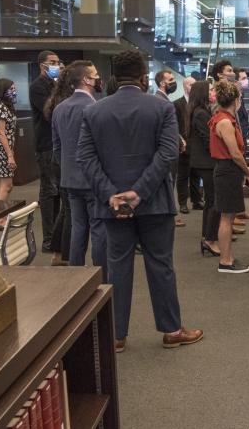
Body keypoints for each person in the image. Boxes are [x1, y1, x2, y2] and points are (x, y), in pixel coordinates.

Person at [77, 49, 203, 351]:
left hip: (112, 206)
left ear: (113, 78)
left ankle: (117, 336)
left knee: (117, 267)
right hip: (155, 203)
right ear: (144, 75)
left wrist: (112, 194)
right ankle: (172, 331)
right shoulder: (161, 109)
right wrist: (139, 192)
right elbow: (168, 153)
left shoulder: (94, 111)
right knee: (161, 265)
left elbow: (85, 157)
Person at [50, 61, 106, 274]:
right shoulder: (95, 107)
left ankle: (76, 277)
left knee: (77, 227)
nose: (98, 77)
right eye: (95, 74)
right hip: (93, 179)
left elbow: (57, 148)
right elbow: (102, 146)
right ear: (86, 79)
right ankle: (101, 275)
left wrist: (68, 167)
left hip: (69, 179)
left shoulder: (59, 108)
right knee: (99, 229)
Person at [209, 80, 249, 273]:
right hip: (227, 170)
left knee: (228, 215)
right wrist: (247, 170)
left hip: (227, 170)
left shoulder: (224, 118)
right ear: (235, 100)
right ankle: (225, 261)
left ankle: (228, 256)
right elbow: (234, 153)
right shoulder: (225, 121)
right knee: (226, 217)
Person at [212, 59, 249, 223]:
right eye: (229, 71)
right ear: (220, 73)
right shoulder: (222, 113)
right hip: (226, 156)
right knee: (225, 213)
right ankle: (230, 218)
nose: (235, 76)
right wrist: (246, 169)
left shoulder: (235, 100)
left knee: (229, 209)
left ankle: (235, 214)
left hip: (236, 139)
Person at [30, 50, 63, 252]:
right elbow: (50, 112)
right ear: (43, 65)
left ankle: (57, 236)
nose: (56, 66)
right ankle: (48, 239)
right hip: (45, 145)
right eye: (53, 62)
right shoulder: (38, 87)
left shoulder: (54, 85)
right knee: (49, 191)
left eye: (58, 62)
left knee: (58, 191)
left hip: (56, 143)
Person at [187, 80, 220, 256]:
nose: (214, 92)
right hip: (207, 163)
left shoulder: (202, 111)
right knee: (213, 201)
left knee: (210, 201)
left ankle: (207, 237)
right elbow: (209, 140)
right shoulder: (200, 114)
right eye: (211, 90)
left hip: (205, 162)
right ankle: (209, 239)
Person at [154, 69, 186, 228]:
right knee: (168, 183)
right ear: (162, 83)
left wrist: (179, 138)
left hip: (169, 148)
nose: (174, 82)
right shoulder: (161, 101)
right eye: (171, 79)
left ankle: (169, 215)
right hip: (167, 152)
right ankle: (168, 216)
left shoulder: (163, 99)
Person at [174, 76, 202, 213]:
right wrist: (180, 141)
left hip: (196, 145)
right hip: (183, 145)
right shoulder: (177, 104)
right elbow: (175, 125)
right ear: (185, 86)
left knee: (196, 174)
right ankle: (183, 203)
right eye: (191, 85)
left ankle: (196, 201)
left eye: (195, 85)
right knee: (183, 176)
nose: (193, 87)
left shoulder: (198, 104)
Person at [0, 78, 18, 203]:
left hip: (5, 148)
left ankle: (1, 214)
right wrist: (9, 155)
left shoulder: (7, 106)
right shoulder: (1, 107)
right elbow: (1, 132)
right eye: (11, 89)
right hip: (1, 148)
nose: (14, 91)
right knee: (6, 185)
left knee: (7, 185)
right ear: (3, 91)